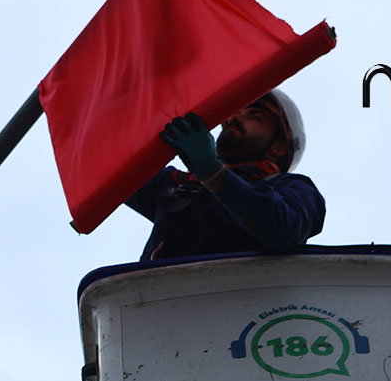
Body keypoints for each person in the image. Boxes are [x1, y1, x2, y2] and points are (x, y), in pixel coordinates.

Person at [125, 89, 325, 262]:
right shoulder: (176, 186)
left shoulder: (294, 188)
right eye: (235, 112)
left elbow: (282, 230)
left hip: (241, 301)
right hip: (155, 300)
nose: (234, 118)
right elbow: (115, 165)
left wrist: (210, 170)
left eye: (254, 116)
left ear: (278, 148)